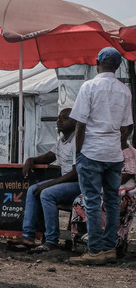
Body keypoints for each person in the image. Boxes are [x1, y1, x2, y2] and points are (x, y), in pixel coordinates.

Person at [68, 47, 133, 265]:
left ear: (97, 62)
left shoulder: (89, 86)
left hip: (92, 152)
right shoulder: (124, 91)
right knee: (112, 202)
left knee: (92, 201)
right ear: (117, 66)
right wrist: (119, 142)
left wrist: (78, 153)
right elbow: (127, 127)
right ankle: (108, 249)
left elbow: (80, 123)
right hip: (114, 154)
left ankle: (94, 251)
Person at [7, 108, 80, 253]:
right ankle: (28, 235)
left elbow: (76, 173)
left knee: (47, 193)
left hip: (80, 184)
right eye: (58, 118)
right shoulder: (62, 141)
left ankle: (52, 240)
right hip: (67, 183)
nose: (59, 121)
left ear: (76, 122)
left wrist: (50, 183)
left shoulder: (78, 140)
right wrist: (31, 159)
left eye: (64, 118)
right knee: (32, 190)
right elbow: (48, 157)